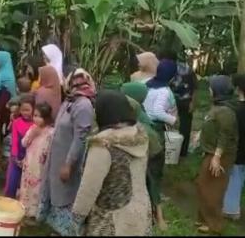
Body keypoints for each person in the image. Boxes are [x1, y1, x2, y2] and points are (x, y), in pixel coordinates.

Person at [72, 90, 152, 236]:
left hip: (110, 219)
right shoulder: (141, 136)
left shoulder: (103, 145)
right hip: (140, 210)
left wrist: (77, 217)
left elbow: (89, 188)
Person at [38, 68, 96, 236]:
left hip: (68, 160)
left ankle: (68, 232)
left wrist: (69, 164)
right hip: (58, 156)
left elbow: (80, 137)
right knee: (56, 192)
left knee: (67, 195)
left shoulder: (83, 105)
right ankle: (58, 230)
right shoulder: (70, 101)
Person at [196, 75, 239, 234]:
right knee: (203, 185)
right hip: (211, 152)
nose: (208, 90)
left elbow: (225, 135)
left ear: (217, 90)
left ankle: (214, 224)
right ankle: (204, 218)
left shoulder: (226, 111)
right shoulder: (218, 107)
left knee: (213, 189)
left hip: (220, 155)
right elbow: (213, 126)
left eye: (211, 87)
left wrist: (217, 157)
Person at [142, 59, 177, 230]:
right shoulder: (164, 91)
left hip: (141, 127)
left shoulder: (145, 84)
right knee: (155, 170)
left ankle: (151, 200)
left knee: (145, 168)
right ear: (171, 76)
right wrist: (173, 119)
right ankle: (157, 213)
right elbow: (157, 111)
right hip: (154, 130)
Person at [19, 103, 55, 220]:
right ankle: (24, 208)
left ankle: (35, 212)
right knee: (26, 186)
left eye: (39, 116)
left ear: (46, 117)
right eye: (34, 115)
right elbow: (23, 143)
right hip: (29, 163)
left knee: (37, 187)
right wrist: (32, 135)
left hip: (41, 165)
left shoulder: (51, 132)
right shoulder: (32, 128)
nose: (36, 118)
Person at [223, 74, 245, 221]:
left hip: (239, 150)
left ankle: (231, 210)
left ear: (238, 89)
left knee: (235, 177)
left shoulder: (235, 110)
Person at [4, 94, 35, 198]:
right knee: (12, 181)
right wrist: (15, 157)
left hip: (31, 156)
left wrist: (27, 159)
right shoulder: (16, 122)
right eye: (23, 110)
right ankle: (9, 201)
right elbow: (14, 140)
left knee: (27, 183)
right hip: (16, 155)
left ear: (34, 109)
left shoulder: (36, 124)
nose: (25, 113)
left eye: (28, 110)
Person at [168, 55, 197, 157]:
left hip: (170, 100)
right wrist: (193, 102)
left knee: (167, 124)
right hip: (186, 100)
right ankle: (182, 151)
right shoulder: (188, 69)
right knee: (185, 126)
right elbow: (194, 87)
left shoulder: (165, 67)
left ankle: (168, 148)